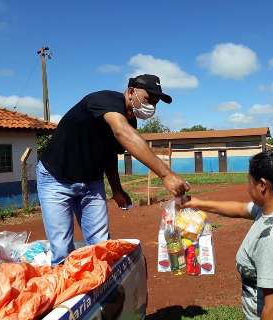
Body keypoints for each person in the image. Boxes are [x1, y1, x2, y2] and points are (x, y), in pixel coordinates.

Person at [37, 74, 190, 265]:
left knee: (101, 245)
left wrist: (116, 189)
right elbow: (121, 132)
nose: (152, 106)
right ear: (131, 91)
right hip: (56, 179)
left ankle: (100, 291)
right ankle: (66, 291)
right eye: (148, 99)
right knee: (61, 249)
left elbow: (109, 156)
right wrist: (166, 174)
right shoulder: (105, 100)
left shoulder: (130, 121)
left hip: (91, 182)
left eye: (155, 103)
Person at [181, 144, 273, 320]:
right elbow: (241, 209)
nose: (247, 187)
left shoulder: (272, 238)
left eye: (249, 181)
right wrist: (197, 203)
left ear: (262, 185)